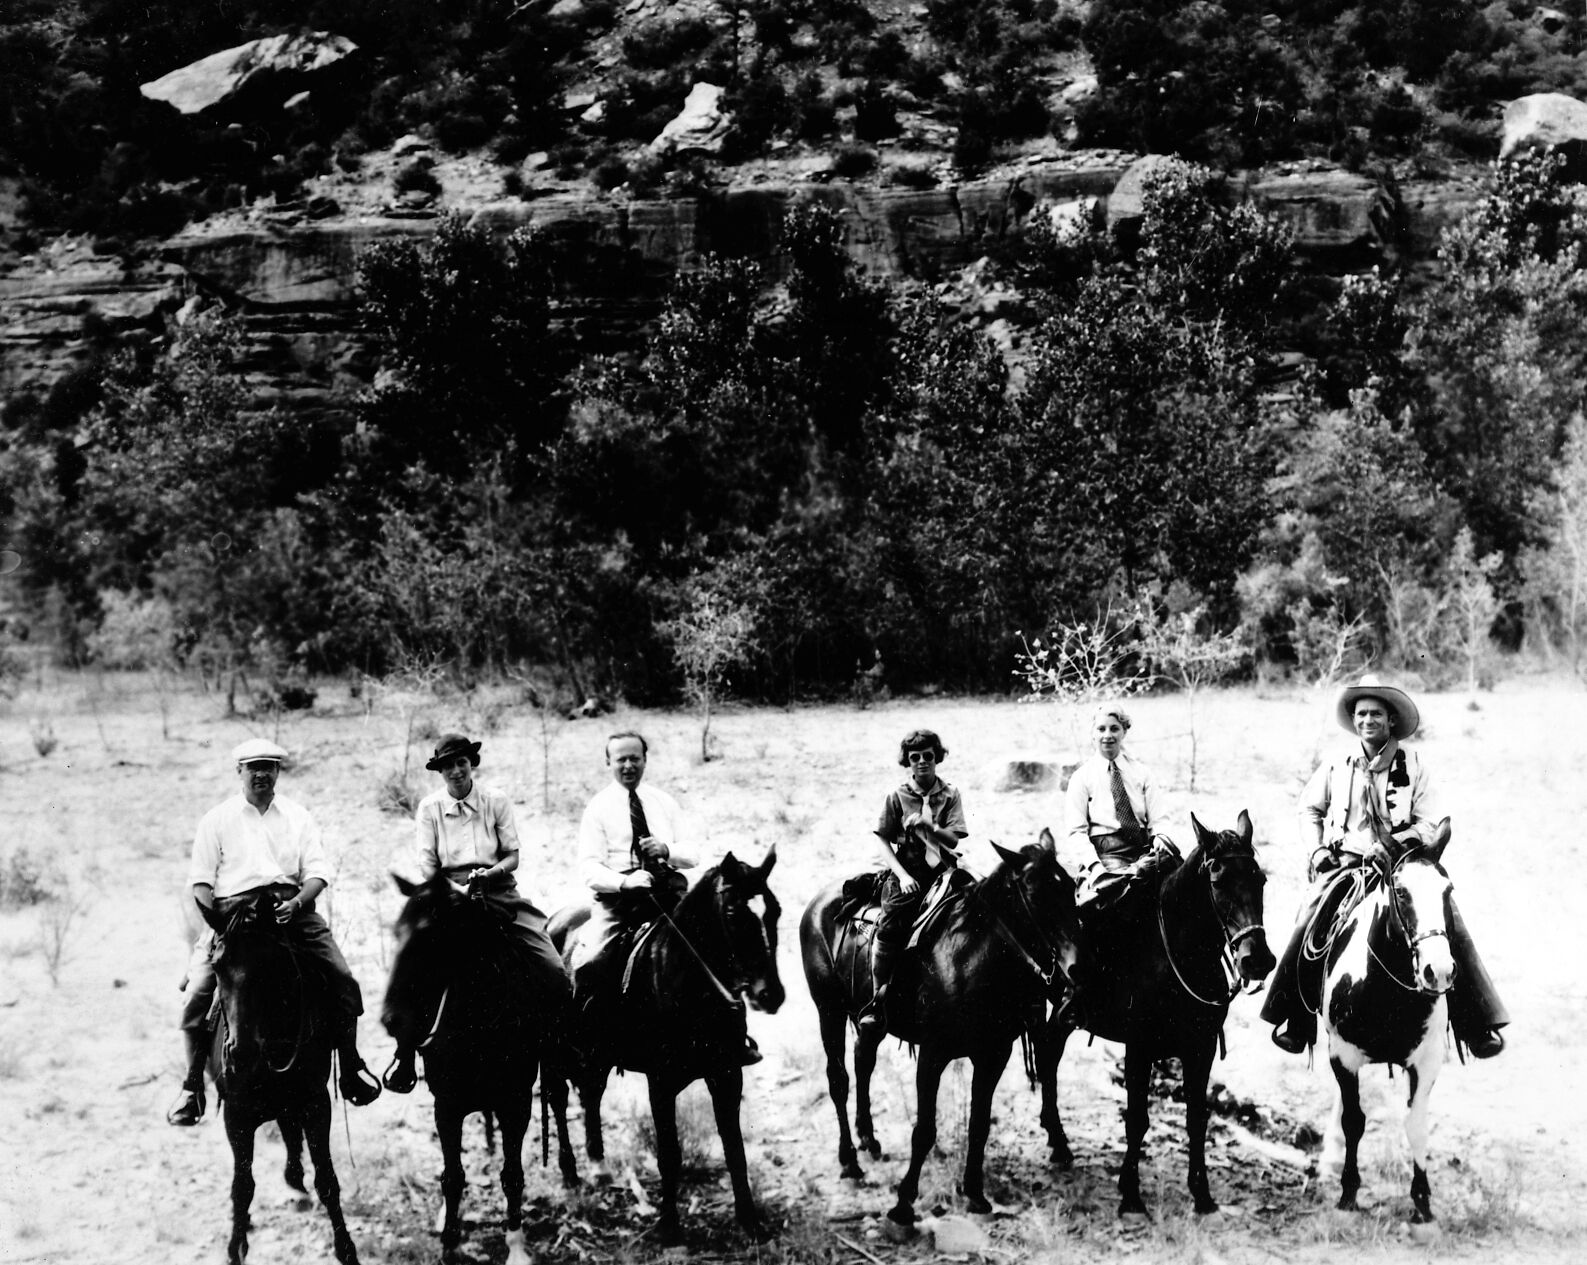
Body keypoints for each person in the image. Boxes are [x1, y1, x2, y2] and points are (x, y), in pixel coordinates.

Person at [1262, 676, 1508, 1058]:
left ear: (1391, 720)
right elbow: (1309, 809)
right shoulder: (1336, 764)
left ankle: (1476, 1022)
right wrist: (1315, 852)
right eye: (1361, 714)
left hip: (1402, 865)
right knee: (1310, 915)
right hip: (1346, 864)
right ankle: (1295, 1016)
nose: (1367, 721)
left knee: (1447, 919)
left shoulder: (1414, 764)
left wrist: (1393, 844)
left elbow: (1429, 821)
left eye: (1376, 714)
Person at [168, 739, 381, 1126]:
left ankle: (350, 1067)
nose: (261, 773)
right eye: (253, 767)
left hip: (292, 912)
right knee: (197, 994)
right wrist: (218, 924)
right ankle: (192, 1087)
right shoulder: (217, 819)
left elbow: (317, 872)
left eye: (269, 766)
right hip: (234, 916)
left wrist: (297, 902)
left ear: (279, 771)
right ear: (240, 772)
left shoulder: (298, 816)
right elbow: (201, 882)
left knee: (344, 980)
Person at [383, 733, 572, 1094]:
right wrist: (455, 889)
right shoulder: (430, 808)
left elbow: (512, 855)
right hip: (448, 896)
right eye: (448, 765)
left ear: (472, 764)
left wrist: (488, 875)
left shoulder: (495, 801)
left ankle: (555, 1052)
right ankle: (405, 1057)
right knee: (416, 968)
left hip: (498, 890)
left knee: (552, 970)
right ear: (439, 771)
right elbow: (427, 863)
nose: (456, 771)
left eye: (461, 762)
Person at [572, 732, 761, 1065]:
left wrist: (666, 849)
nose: (628, 765)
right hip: (619, 901)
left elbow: (692, 853)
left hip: (668, 893)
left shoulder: (663, 802)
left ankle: (735, 1035)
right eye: (621, 759)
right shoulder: (598, 808)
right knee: (591, 961)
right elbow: (589, 867)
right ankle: (595, 1039)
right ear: (609, 763)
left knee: (719, 947)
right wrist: (624, 882)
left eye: (635, 758)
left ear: (645, 760)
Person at [1060, 703, 1180, 1015]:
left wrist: (1161, 844)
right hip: (1106, 856)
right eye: (1101, 729)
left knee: (1186, 896)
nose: (1108, 735)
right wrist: (1096, 868)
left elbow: (1161, 819)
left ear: (1124, 732)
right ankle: (1088, 991)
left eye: (1114, 728)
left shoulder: (1142, 773)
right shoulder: (1082, 778)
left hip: (1145, 853)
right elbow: (1075, 832)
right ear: (1092, 734)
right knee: (1108, 910)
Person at [857, 728, 969, 1031]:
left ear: (938, 758)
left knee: (977, 909)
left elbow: (954, 840)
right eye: (915, 758)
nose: (922, 763)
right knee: (892, 923)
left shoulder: (950, 794)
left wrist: (928, 827)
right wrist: (902, 875)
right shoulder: (897, 796)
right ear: (907, 761)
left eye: (928, 757)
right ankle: (878, 1000)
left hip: (944, 867)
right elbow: (882, 839)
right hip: (907, 868)